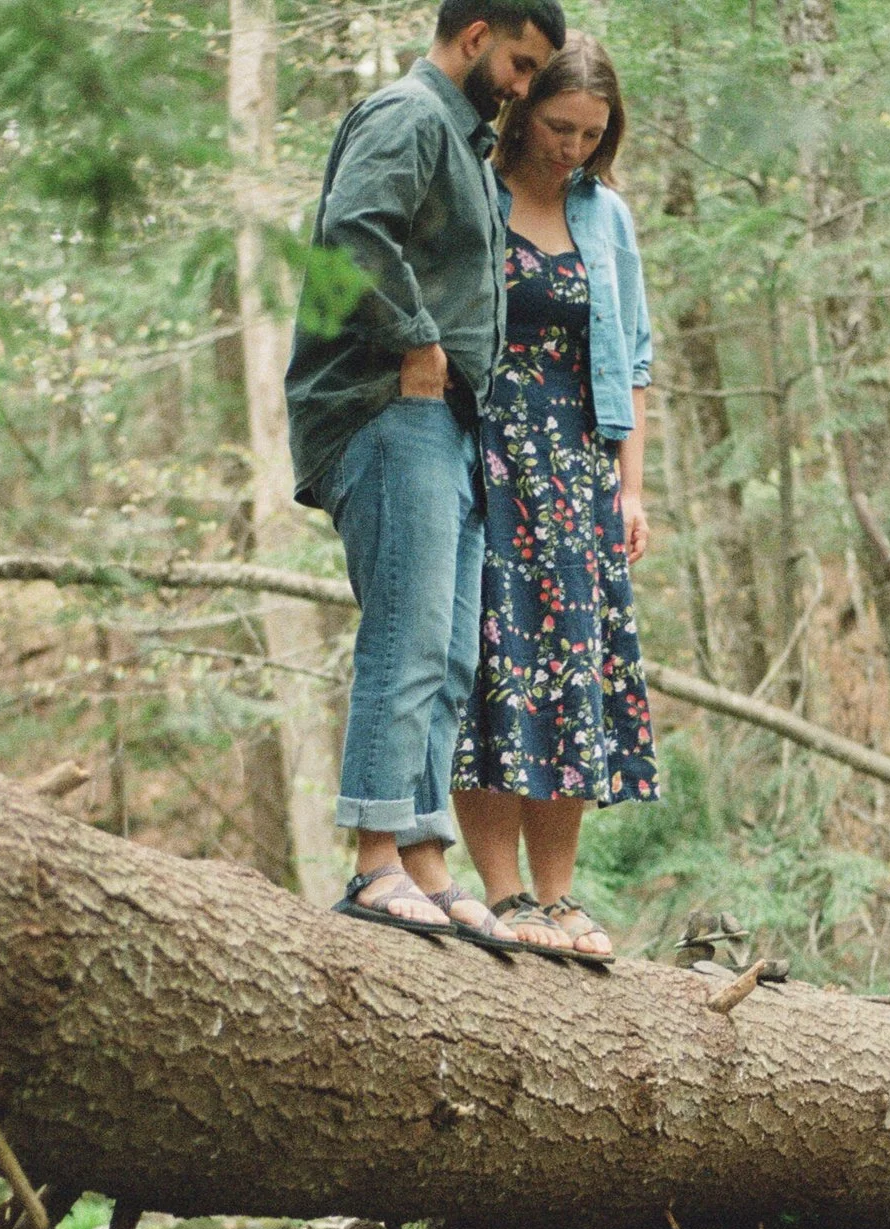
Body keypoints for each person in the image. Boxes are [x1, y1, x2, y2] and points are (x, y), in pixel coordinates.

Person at [286, 0, 567, 948]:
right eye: (521, 66)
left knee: (449, 654)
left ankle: (423, 857)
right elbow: (349, 241)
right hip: (384, 406)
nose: (523, 90)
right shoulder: (407, 116)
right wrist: (416, 341)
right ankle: (375, 860)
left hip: (450, 422)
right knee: (406, 637)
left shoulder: (465, 145)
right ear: (477, 36)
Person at [449, 35, 657, 961]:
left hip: (577, 465)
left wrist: (631, 489)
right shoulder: (476, 191)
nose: (573, 146)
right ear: (524, 110)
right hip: (483, 453)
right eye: (559, 126)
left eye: (591, 133)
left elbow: (634, 358)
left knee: (571, 666)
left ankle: (559, 896)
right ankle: (503, 894)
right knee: (491, 666)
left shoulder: (606, 218)